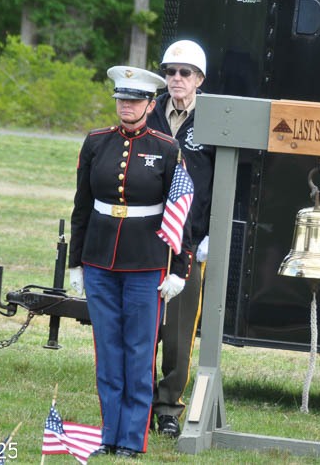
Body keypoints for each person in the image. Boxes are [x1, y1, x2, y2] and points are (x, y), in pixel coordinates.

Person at [68, 66, 192, 459]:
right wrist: (75, 263)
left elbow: (181, 213)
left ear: (150, 104)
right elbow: (82, 207)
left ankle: (131, 440)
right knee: (108, 351)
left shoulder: (167, 148)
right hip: (100, 260)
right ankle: (109, 434)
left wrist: (179, 269)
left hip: (145, 263)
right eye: (122, 99)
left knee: (139, 351)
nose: (127, 106)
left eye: (135, 100)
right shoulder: (96, 143)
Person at [146, 39, 215, 438]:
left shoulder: (215, 118)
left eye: (185, 73)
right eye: (170, 72)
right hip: (144, 237)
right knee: (143, 328)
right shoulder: (148, 110)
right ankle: (138, 403)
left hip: (190, 242)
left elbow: (229, 178)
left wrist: (212, 233)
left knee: (177, 333)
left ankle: (168, 407)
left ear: (199, 79)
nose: (176, 78)